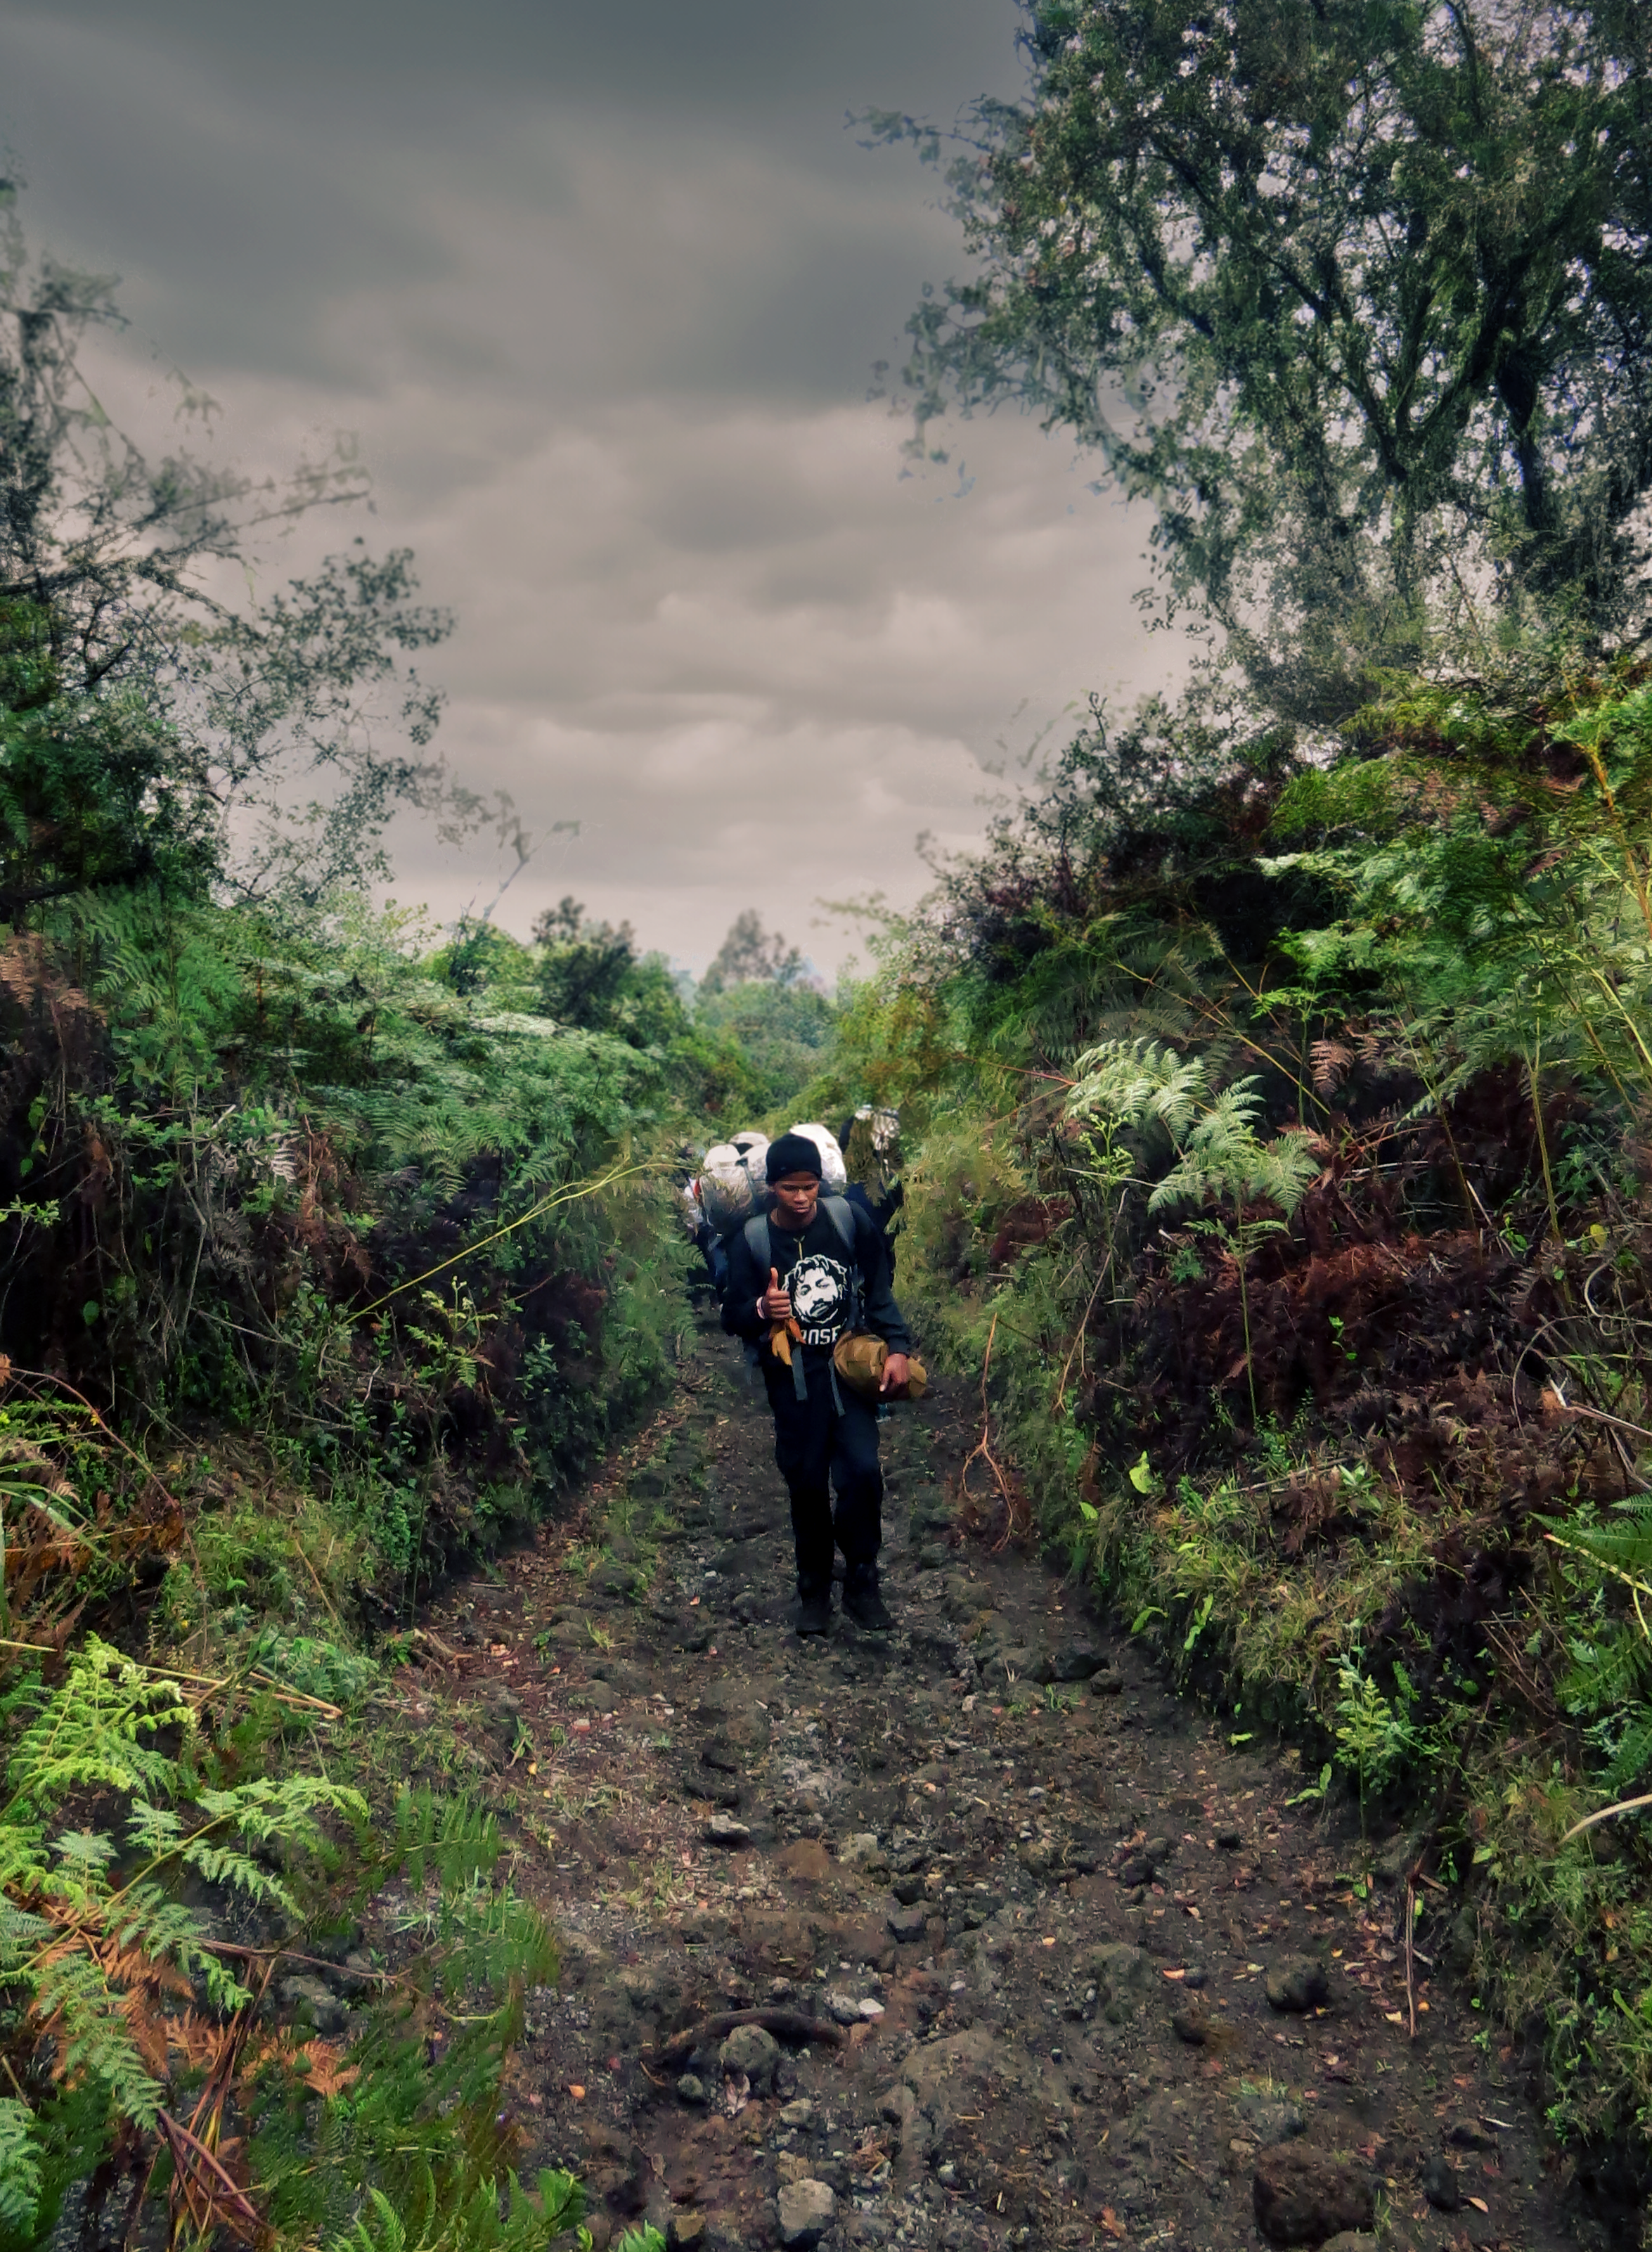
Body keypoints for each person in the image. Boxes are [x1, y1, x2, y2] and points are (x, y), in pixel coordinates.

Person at [722, 1131, 913, 1635]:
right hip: (792, 1382)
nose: (802, 1197)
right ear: (773, 1188)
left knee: (863, 1472)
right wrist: (763, 1308)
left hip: (849, 1371)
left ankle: (862, 1580)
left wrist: (897, 1346)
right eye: (790, 1188)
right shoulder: (753, 1240)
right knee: (805, 1481)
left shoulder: (848, 1222)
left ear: (820, 1183)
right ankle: (814, 1589)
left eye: (809, 1185)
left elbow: (879, 1288)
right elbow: (732, 1314)